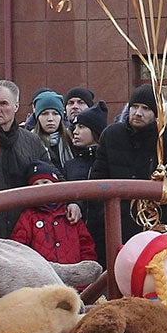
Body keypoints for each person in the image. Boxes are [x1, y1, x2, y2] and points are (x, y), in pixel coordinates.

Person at [95, 84, 167, 237]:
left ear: (156, 112)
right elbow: (98, 180)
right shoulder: (111, 135)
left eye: (146, 108)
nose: (138, 113)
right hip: (116, 225)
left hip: (156, 225)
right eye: (134, 106)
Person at [0, 80, 48, 239]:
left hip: (25, 233)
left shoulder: (32, 141)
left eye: (3, 104)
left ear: (16, 106)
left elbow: (52, 177)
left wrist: (73, 203)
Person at [11, 163, 97, 265]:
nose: (41, 187)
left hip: (74, 274)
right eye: (35, 185)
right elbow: (18, 247)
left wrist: (87, 268)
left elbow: (86, 244)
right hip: (44, 276)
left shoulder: (70, 212)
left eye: (45, 182)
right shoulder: (28, 216)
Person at [64, 103, 108, 257]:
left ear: (95, 131)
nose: (75, 132)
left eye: (81, 127)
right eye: (74, 127)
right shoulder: (70, 165)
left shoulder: (107, 163)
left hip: (105, 236)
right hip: (77, 237)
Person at [28, 91, 72, 170]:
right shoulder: (29, 142)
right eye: (44, 114)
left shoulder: (72, 140)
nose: (50, 119)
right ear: (37, 117)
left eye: (55, 113)